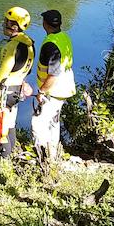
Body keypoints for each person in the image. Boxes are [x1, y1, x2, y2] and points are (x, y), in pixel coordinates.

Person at [0, 6, 36, 158]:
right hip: (16, 90)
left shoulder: (12, 46)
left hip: (5, 92)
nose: (3, 24)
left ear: (14, 26)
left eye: (6, 21)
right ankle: (11, 156)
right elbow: (27, 70)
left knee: (1, 129)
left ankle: (3, 162)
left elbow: (0, 76)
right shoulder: (30, 44)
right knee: (9, 125)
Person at [31, 9, 76, 164]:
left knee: (38, 123)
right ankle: (53, 155)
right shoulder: (63, 37)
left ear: (45, 24)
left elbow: (53, 75)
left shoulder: (50, 45)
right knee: (53, 122)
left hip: (52, 91)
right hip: (64, 88)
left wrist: (42, 91)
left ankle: (42, 159)